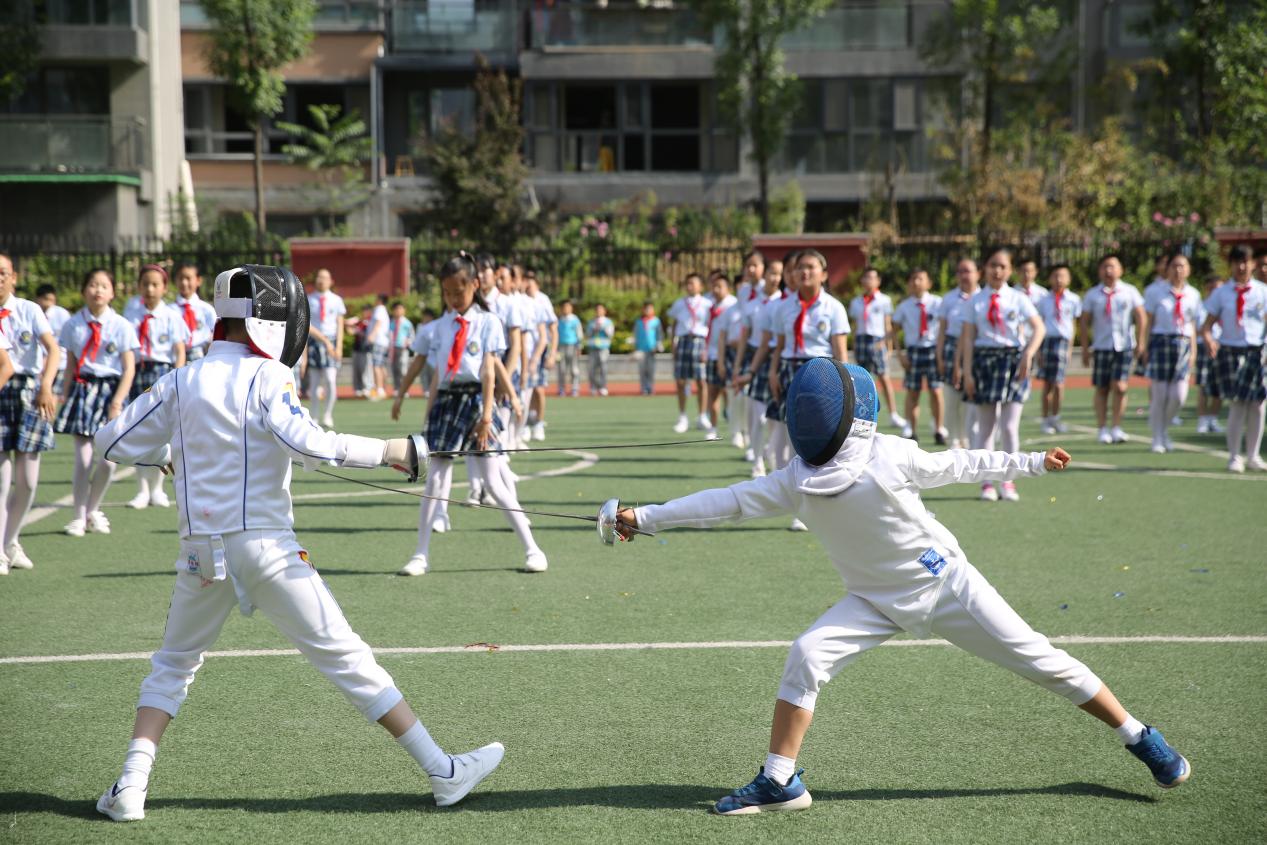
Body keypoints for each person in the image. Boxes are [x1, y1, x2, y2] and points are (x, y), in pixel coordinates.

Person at [612, 359, 1191, 815]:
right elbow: (727, 502)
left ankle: (1138, 736)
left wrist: (1033, 461)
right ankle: (779, 780)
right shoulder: (799, 480)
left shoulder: (887, 456)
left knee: (1042, 660)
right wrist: (646, 516)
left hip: (943, 586)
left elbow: (962, 463)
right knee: (807, 655)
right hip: (872, 598)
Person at [91, 264, 503, 823]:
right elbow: (308, 445)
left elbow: (110, 441)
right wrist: (390, 451)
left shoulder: (181, 380)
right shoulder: (267, 377)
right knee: (348, 659)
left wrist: (165, 454)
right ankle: (442, 771)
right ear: (270, 319)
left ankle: (131, 788)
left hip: (201, 557)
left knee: (172, 666)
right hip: (266, 551)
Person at [391, 254, 547, 575]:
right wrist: (428, 409)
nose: (452, 299)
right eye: (446, 293)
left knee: (494, 481)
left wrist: (488, 415)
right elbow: (437, 375)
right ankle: (420, 554)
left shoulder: (488, 322)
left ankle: (533, 549)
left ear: (474, 286)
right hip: (448, 401)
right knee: (434, 479)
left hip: (477, 400)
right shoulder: (440, 327)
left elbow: (490, 371)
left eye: (458, 292)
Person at [766, 250, 849, 529]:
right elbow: (779, 344)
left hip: (820, 372)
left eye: (811, 267)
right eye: (800, 267)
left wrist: (844, 383)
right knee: (784, 440)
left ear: (824, 273)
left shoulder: (833, 308)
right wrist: (773, 372)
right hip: (789, 369)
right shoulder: (783, 306)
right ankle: (793, 498)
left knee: (815, 440)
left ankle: (814, 503)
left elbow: (840, 351)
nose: (805, 272)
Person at [55, 269, 138, 537]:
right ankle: (78, 515)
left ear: (112, 292)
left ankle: (93, 509)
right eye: (92, 285)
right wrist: (61, 394)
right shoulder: (73, 324)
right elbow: (69, 365)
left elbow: (129, 368)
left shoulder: (121, 325)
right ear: (84, 291)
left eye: (104, 286)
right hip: (82, 389)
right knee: (83, 459)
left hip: (111, 392)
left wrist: (117, 401)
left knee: (108, 461)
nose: (98, 290)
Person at [960, 248, 1044, 502]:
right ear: (985, 268)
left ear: (1010, 271)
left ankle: (1009, 481)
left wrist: (1028, 353)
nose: (997, 271)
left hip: (1014, 361)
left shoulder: (1018, 298)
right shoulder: (975, 300)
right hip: (985, 361)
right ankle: (986, 482)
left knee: (1009, 427)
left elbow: (1038, 328)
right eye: (993, 265)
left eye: (1003, 266)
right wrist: (967, 372)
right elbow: (968, 338)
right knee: (986, 428)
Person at [0, 256, 59, 572]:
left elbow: (53, 349)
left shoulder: (29, 310)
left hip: (29, 392)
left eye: (2, 273)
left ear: (14, 277)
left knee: (28, 480)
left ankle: (11, 539)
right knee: (2, 478)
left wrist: (46, 386)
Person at [125, 265, 190, 510]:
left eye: (155, 284)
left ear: (164, 288)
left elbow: (179, 350)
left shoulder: (172, 315)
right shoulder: (131, 312)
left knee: (163, 431)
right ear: (139, 286)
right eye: (145, 284)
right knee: (139, 430)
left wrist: (176, 377)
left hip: (162, 372)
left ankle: (158, 489)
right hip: (138, 370)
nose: (150, 289)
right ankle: (142, 489)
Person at [1200, 243, 1267, 472]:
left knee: (1258, 404)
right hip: (1231, 350)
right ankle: (1234, 456)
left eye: (1246, 262)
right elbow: (1207, 325)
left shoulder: (1262, 291)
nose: (1241, 267)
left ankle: (1253, 455)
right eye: (1236, 262)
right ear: (1230, 265)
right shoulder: (1221, 293)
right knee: (1237, 404)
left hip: (1257, 351)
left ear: (1253, 264)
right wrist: (1209, 340)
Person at [1080, 255, 1146, 445]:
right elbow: (1084, 322)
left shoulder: (1129, 291)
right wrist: (1085, 348)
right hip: (1102, 346)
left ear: (1120, 270)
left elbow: (1141, 316)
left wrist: (1140, 341)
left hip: (1123, 346)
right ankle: (1102, 428)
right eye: (1105, 267)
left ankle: (1117, 426)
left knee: (1120, 386)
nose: (1109, 271)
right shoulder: (1093, 294)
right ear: (1100, 270)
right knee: (1102, 388)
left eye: (1113, 266)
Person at [1141, 254, 1201, 453]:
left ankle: (1164, 428)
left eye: (1182, 266)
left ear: (1189, 269)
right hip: (1160, 342)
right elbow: (1148, 321)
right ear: (1167, 269)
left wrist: (1193, 351)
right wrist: (1144, 346)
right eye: (1174, 266)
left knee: (1179, 395)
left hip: (1183, 343)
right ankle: (1157, 436)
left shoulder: (1193, 294)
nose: (1178, 270)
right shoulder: (1154, 291)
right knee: (1160, 394)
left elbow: (1192, 323)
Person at [733, 258, 783, 473]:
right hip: (756, 358)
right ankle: (757, 463)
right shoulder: (752, 306)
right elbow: (744, 337)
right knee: (757, 416)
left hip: (779, 359)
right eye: (772, 272)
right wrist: (738, 365)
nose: (775, 278)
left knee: (777, 418)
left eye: (779, 274)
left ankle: (769, 453)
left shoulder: (786, 303)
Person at [891, 268, 945, 444]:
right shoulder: (904, 306)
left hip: (932, 350)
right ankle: (911, 431)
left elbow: (945, 328)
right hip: (913, 352)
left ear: (929, 283)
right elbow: (894, 331)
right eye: (913, 279)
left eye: (920, 278)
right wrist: (900, 354)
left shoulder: (938, 303)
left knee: (936, 391)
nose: (916, 282)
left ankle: (938, 429)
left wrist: (941, 354)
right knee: (913, 393)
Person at [847, 267, 904, 431]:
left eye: (872, 278)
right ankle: (861, 415)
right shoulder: (856, 302)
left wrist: (889, 345)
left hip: (877, 340)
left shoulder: (884, 300)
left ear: (878, 281)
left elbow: (888, 325)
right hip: (861, 340)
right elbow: (856, 325)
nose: (868, 281)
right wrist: (855, 344)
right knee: (862, 380)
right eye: (865, 278)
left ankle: (893, 413)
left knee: (884, 377)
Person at [936, 258, 981, 449]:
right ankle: (954, 439)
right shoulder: (948, 299)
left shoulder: (983, 298)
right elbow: (941, 331)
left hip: (977, 348)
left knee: (973, 398)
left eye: (968, 271)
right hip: (951, 346)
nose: (964, 275)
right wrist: (939, 356)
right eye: (961, 271)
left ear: (978, 273)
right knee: (952, 396)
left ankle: (971, 439)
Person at [1035, 264, 1081, 435]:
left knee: (1059, 384)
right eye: (1055, 275)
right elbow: (1038, 324)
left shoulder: (1074, 300)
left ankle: (1056, 417)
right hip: (1047, 341)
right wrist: (1038, 350)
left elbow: (1073, 325)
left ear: (1068, 279)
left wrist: (1070, 347)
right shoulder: (1043, 300)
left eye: (1063, 276)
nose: (1059, 279)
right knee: (1047, 384)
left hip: (1062, 342)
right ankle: (1045, 419)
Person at [668, 273, 711, 433]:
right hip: (684, 341)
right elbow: (674, 324)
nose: (689, 286)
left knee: (701, 381)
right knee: (680, 381)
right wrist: (673, 344)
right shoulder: (679, 303)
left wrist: (708, 347)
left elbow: (711, 326)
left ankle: (702, 415)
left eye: (693, 283)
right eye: (687, 283)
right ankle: (682, 416)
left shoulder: (707, 304)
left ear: (701, 286)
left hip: (700, 341)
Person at [306, 269, 346, 428]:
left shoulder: (336, 300)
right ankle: (314, 416)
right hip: (314, 341)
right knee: (314, 382)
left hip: (331, 340)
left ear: (331, 281)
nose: (321, 280)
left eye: (324, 278)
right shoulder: (309, 299)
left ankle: (328, 414)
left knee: (330, 379)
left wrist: (339, 346)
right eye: (319, 277)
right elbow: (306, 323)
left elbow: (340, 323)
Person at [524, 272, 557, 441]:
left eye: (530, 283)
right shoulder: (521, 300)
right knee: (526, 389)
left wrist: (552, 353)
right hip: (525, 352)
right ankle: (527, 421)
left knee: (538, 389)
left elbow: (553, 329)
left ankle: (538, 422)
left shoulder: (542, 301)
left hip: (540, 350)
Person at [704, 272, 738, 437]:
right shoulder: (710, 306)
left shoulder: (733, 306)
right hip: (712, 354)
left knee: (730, 392)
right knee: (712, 391)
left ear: (728, 288)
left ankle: (735, 427)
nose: (716, 290)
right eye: (714, 286)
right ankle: (713, 427)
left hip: (728, 354)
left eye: (720, 286)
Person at [1194, 274, 1224, 435]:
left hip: (1223, 348)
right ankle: (1202, 419)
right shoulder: (1202, 307)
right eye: (1212, 288)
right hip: (1204, 347)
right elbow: (1196, 329)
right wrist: (1208, 337)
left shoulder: (1227, 305)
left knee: (1220, 386)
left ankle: (1213, 418)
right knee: (1204, 385)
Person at [173, 263, 217, 362]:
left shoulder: (207, 310)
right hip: (175, 357)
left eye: (188, 278)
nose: (184, 282)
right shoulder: (169, 310)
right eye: (180, 278)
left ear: (198, 280)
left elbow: (215, 336)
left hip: (202, 356)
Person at [34, 282, 71, 395]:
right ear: (38, 299)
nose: (49, 303)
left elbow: (65, 342)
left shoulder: (61, 315)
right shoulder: (34, 313)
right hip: (39, 364)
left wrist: (49, 358)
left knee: (53, 396)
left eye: (51, 299)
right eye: (45, 299)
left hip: (59, 363)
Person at [633, 301, 663, 396]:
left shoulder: (656, 321)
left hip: (651, 349)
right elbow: (635, 335)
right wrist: (635, 348)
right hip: (641, 349)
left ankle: (650, 387)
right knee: (642, 370)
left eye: (650, 309)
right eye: (646, 309)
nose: (648, 311)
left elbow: (659, 335)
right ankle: (643, 388)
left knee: (651, 370)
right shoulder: (638, 322)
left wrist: (658, 345)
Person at [586, 302, 614, 397]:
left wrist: (603, 328)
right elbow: (588, 334)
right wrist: (594, 329)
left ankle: (603, 387)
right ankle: (593, 387)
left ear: (604, 311)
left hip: (603, 348)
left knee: (603, 368)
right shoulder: (591, 322)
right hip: (593, 347)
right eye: (597, 310)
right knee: (592, 369)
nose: (598, 312)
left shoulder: (608, 322)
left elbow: (610, 334)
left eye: (600, 310)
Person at [367, 294, 391, 400]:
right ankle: (383, 388)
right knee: (381, 365)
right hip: (383, 342)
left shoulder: (379, 309)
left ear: (380, 300)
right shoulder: (383, 310)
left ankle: (379, 389)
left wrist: (372, 335)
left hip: (378, 341)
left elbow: (378, 323)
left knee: (376, 365)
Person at [556, 299, 582, 397]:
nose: (566, 309)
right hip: (561, 346)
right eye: (564, 307)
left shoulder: (575, 320)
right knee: (561, 369)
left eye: (568, 307)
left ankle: (575, 388)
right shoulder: (559, 320)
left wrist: (579, 346)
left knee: (574, 369)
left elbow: (579, 334)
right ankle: (561, 388)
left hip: (573, 346)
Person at [388, 301, 415, 396]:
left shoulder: (407, 323)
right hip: (393, 348)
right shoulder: (391, 322)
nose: (398, 311)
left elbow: (412, 336)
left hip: (403, 348)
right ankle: (396, 388)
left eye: (400, 309)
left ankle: (404, 389)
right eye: (396, 309)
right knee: (394, 369)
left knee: (403, 369)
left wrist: (408, 342)